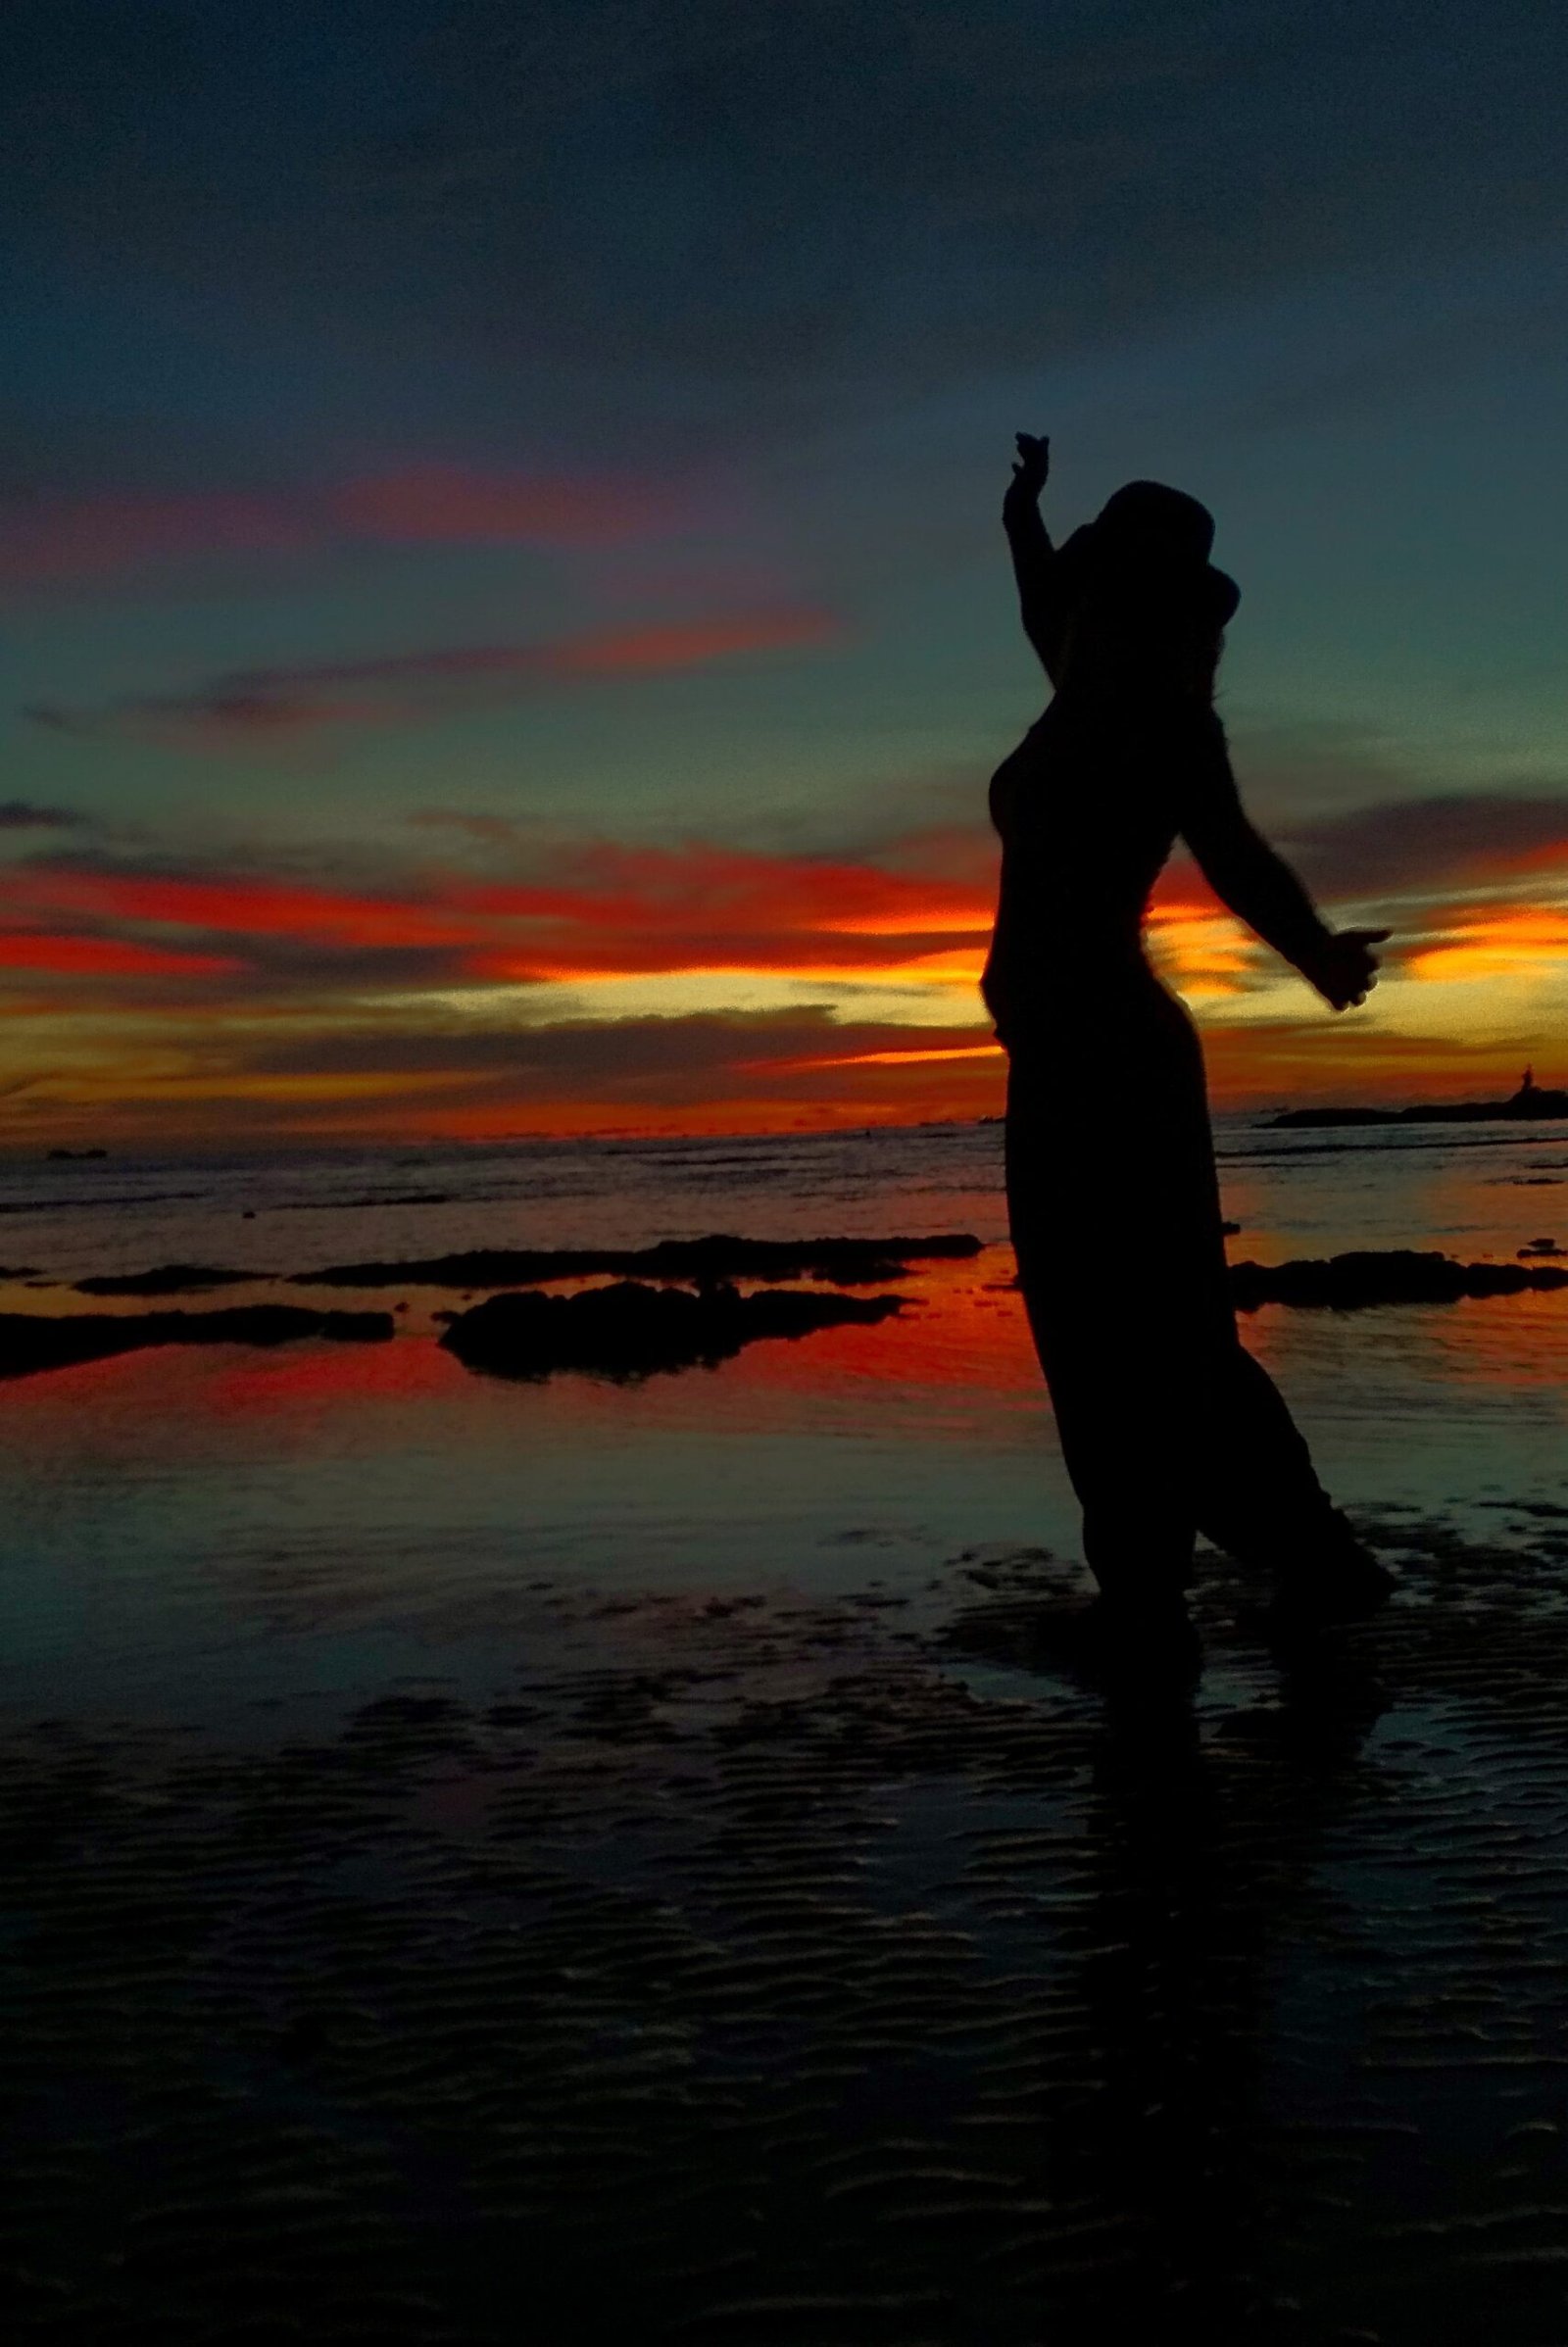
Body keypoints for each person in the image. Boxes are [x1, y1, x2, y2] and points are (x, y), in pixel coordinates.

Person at [983, 432, 1394, 1624]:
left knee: (1161, 1336)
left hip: (1116, 1060)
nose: (1103, 598)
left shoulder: (1164, 720)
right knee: (1084, 1334)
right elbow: (1038, 591)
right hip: (1052, 1067)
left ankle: (1283, 1558)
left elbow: (1235, 857)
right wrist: (1022, 507)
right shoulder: (1075, 679)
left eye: (1131, 584)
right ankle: (1159, 1589)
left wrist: (1316, 951)